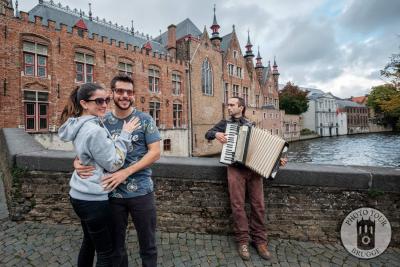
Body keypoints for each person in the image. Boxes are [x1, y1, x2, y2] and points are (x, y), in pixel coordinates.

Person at [74, 74, 161, 267]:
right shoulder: (100, 120)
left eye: (129, 92)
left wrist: (125, 172)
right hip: (111, 194)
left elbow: (155, 153)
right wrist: (76, 161)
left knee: (148, 246)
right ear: (112, 93)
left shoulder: (144, 119)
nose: (125, 96)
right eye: (120, 91)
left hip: (142, 192)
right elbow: (86, 145)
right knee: (116, 248)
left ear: (134, 95)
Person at [58, 82, 140, 267]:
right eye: (99, 101)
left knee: (89, 242)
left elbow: (87, 152)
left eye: (107, 100)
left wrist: (78, 160)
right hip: (93, 199)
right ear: (84, 103)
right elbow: (113, 163)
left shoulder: (78, 123)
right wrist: (125, 135)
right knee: (106, 254)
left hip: (78, 194)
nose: (104, 105)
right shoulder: (94, 129)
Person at [205, 96, 287, 261]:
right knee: (237, 206)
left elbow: (262, 148)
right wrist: (217, 134)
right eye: (228, 104)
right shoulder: (225, 124)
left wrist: (278, 160)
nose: (228, 107)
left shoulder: (251, 125)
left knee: (259, 206)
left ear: (241, 107)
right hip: (235, 169)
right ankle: (243, 241)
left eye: (232, 105)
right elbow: (208, 134)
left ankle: (260, 241)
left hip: (254, 170)